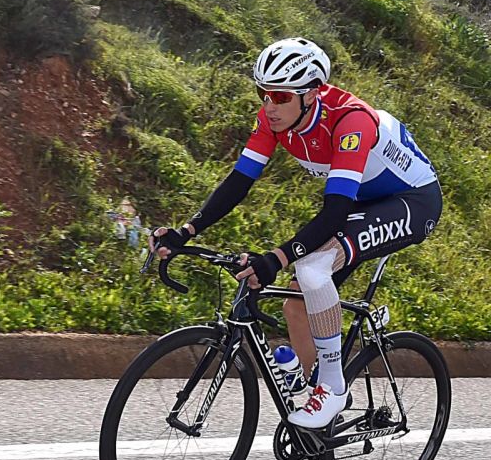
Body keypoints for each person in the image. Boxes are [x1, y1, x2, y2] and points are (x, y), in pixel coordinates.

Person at [149, 37, 441, 428]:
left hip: (411, 200)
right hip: (360, 202)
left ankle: (333, 389)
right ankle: (316, 391)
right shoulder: (276, 119)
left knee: (313, 269)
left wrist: (278, 258)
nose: (269, 106)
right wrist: (186, 231)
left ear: (312, 93)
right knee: (296, 304)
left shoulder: (350, 121)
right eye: (263, 93)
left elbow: (335, 211)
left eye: (281, 96)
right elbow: (239, 181)